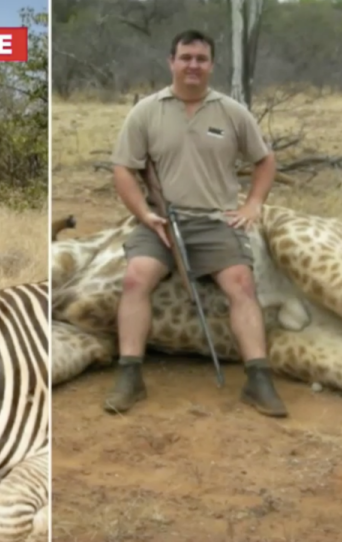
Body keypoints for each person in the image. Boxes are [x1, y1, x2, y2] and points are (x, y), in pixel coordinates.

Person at [104, 29, 288, 418]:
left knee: (241, 283)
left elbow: (265, 160)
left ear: (211, 65)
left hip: (215, 220)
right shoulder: (146, 111)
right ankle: (130, 374)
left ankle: (258, 378)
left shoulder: (232, 112)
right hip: (162, 222)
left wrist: (253, 204)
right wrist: (144, 215)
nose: (193, 65)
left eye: (201, 59)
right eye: (185, 57)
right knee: (136, 277)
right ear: (171, 62)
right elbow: (123, 169)